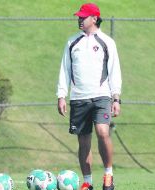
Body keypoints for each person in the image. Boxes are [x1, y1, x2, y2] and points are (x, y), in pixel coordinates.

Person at [56, 3, 122, 190]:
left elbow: (114, 71)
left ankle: (108, 175)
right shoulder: (72, 42)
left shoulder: (107, 42)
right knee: (83, 141)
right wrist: (61, 95)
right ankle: (87, 182)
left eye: (83, 17)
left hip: (102, 97)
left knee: (103, 132)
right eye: (78, 16)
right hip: (78, 99)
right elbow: (64, 70)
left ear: (94, 18)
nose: (79, 19)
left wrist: (116, 98)